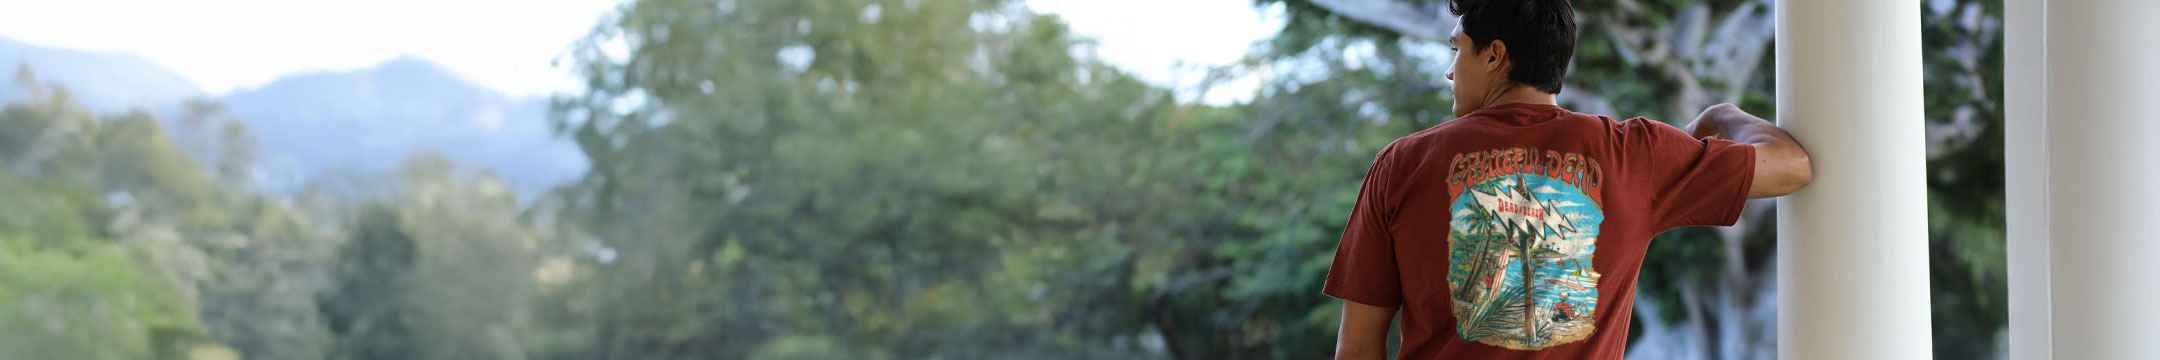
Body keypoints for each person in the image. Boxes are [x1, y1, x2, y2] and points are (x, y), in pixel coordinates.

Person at [1319, 0, 1813, 358]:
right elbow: (1792, 164)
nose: (1451, 72)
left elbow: (1360, 345)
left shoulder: (1403, 162)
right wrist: (1721, 115)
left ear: (1494, 56)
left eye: (1458, 50)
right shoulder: (1634, 153)